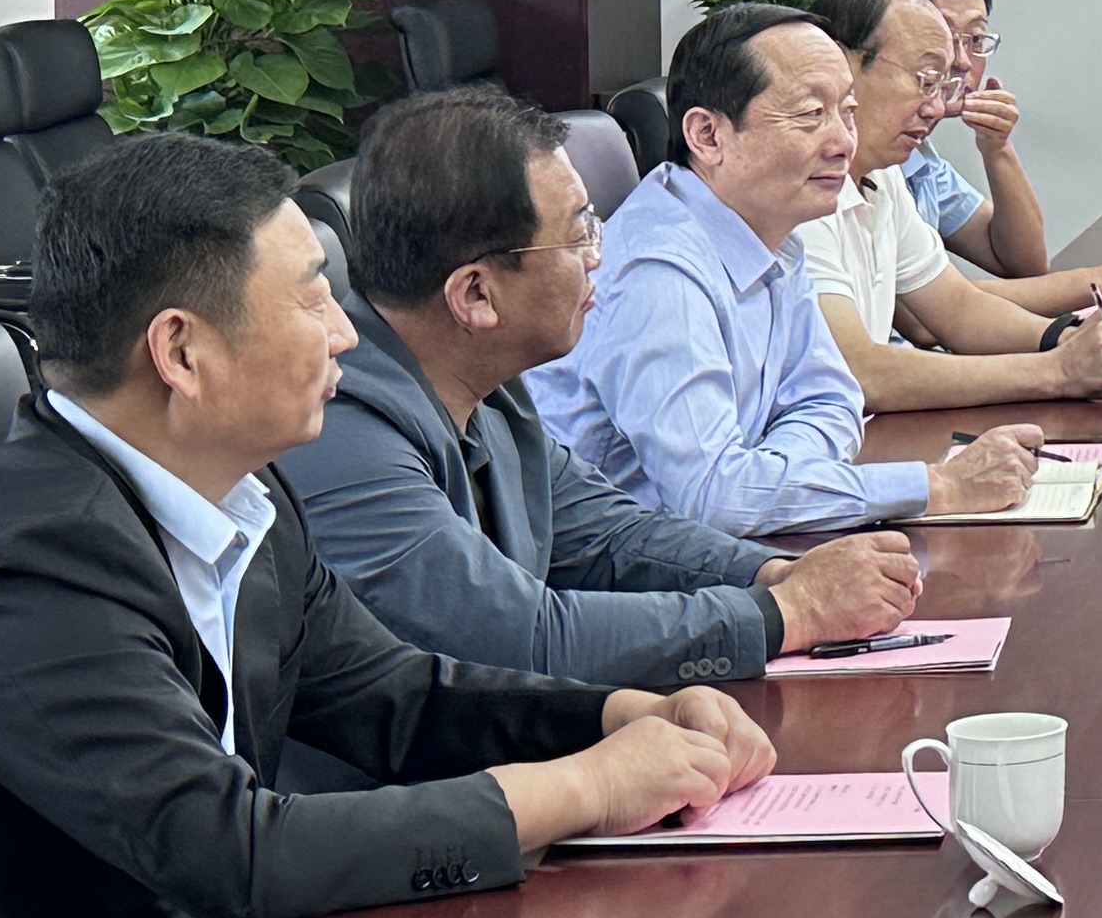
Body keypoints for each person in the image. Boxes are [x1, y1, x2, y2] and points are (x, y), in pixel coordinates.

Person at [0, 137, 771, 918]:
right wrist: (586, 786)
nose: (345, 333)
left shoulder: (242, 498)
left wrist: (616, 716)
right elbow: (233, 853)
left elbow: (395, 698)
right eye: (312, 296)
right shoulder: (27, 570)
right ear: (181, 350)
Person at [281, 86, 927, 703]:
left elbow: (609, 534)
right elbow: (519, 639)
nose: (600, 255)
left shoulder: (487, 389)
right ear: (475, 294)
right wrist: (786, 613)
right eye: (579, 233)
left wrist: (772, 573)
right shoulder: (343, 432)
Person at [532, 3, 1047, 539]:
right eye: (810, 115)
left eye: (847, 112)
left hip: (736, 543)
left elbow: (833, 398)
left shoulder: (771, 229)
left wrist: (773, 475)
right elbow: (714, 498)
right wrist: (937, 487)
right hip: (625, 569)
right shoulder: (659, 273)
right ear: (707, 135)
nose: (843, 143)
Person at [796, 0, 1102, 418]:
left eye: (941, 86)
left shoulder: (882, 177)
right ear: (841, 66)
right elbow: (861, 372)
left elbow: (957, 307)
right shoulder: (799, 190)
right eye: (925, 80)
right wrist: (1058, 370)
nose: (936, 107)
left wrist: (1066, 337)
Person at [852, 0, 1102, 308]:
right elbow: (925, 314)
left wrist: (997, 148)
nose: (962, 61)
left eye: (976, 38)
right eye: (946, 37)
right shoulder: (856, 161)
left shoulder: (921, 158)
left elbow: (1023, 264)